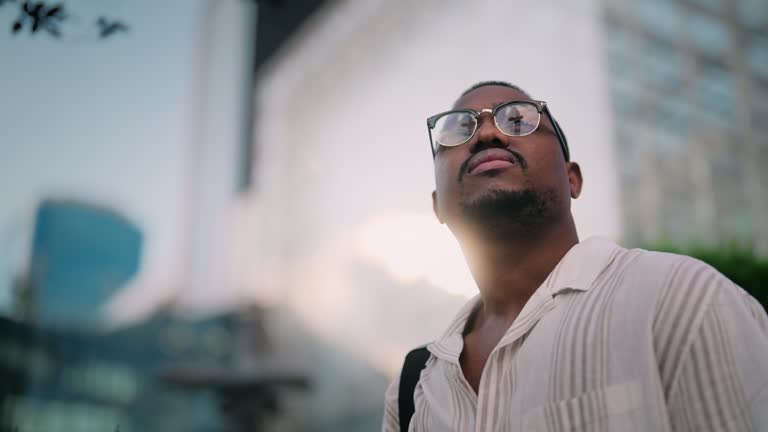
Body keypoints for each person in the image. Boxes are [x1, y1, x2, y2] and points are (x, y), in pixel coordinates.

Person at [382, 81, 768, 431]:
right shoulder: (413, 388)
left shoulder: (680, 297)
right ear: (437, 207)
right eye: (457, 130)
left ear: (572, 179)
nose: (485, 132)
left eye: (517, 119)